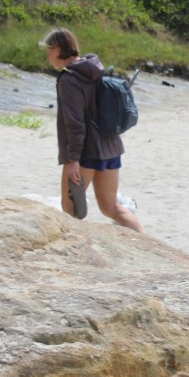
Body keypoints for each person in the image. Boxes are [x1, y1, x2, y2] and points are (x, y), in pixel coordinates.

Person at [43, 28, 144, 233]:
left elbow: (75, 123)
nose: (47, 56)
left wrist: (73, 160)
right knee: (111, 207)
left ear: (59, 49)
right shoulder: (94, 68)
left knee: (70, 210)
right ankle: (147, 243)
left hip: (86, 152)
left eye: (49, 50)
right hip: (111, 146)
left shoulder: (68, 78)